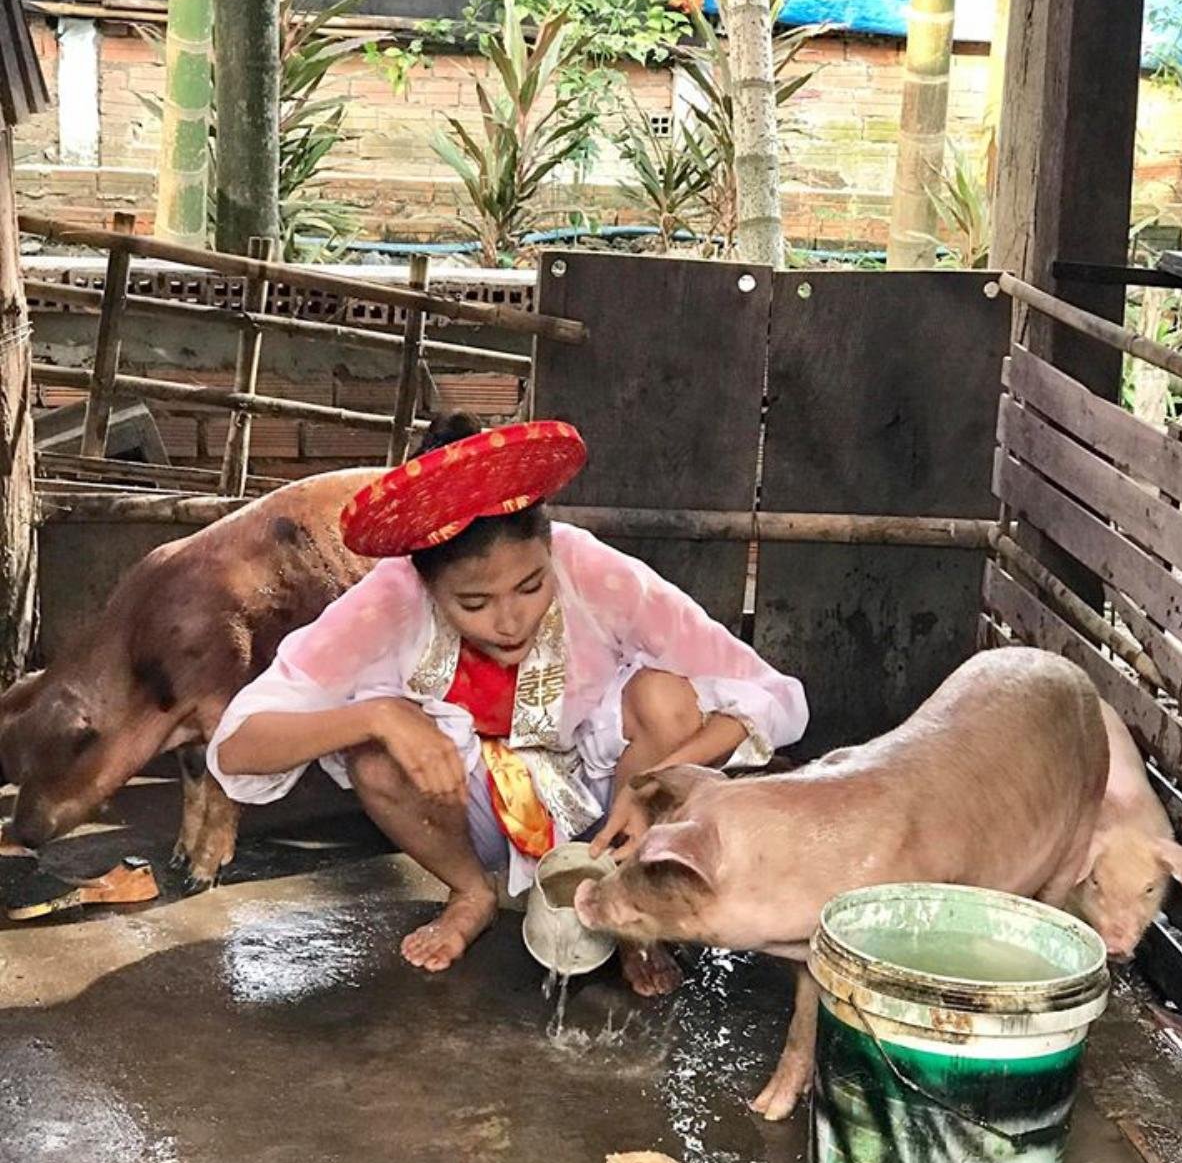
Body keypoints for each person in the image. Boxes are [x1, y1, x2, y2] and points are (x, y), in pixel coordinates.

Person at [208, 414, 809, 994]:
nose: (510, 619)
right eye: (473, 602)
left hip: (609, 799)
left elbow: (773, 693)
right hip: (468, 813)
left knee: (665, 698)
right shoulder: (386, 600)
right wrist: (378, 716)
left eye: (531, 586)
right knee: (372, 754)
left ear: (550, 550)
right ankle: (471, 893)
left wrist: (653, 782)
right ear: (428, 584)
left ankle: (631, 903)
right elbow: (237, 748)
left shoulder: (594, 569)